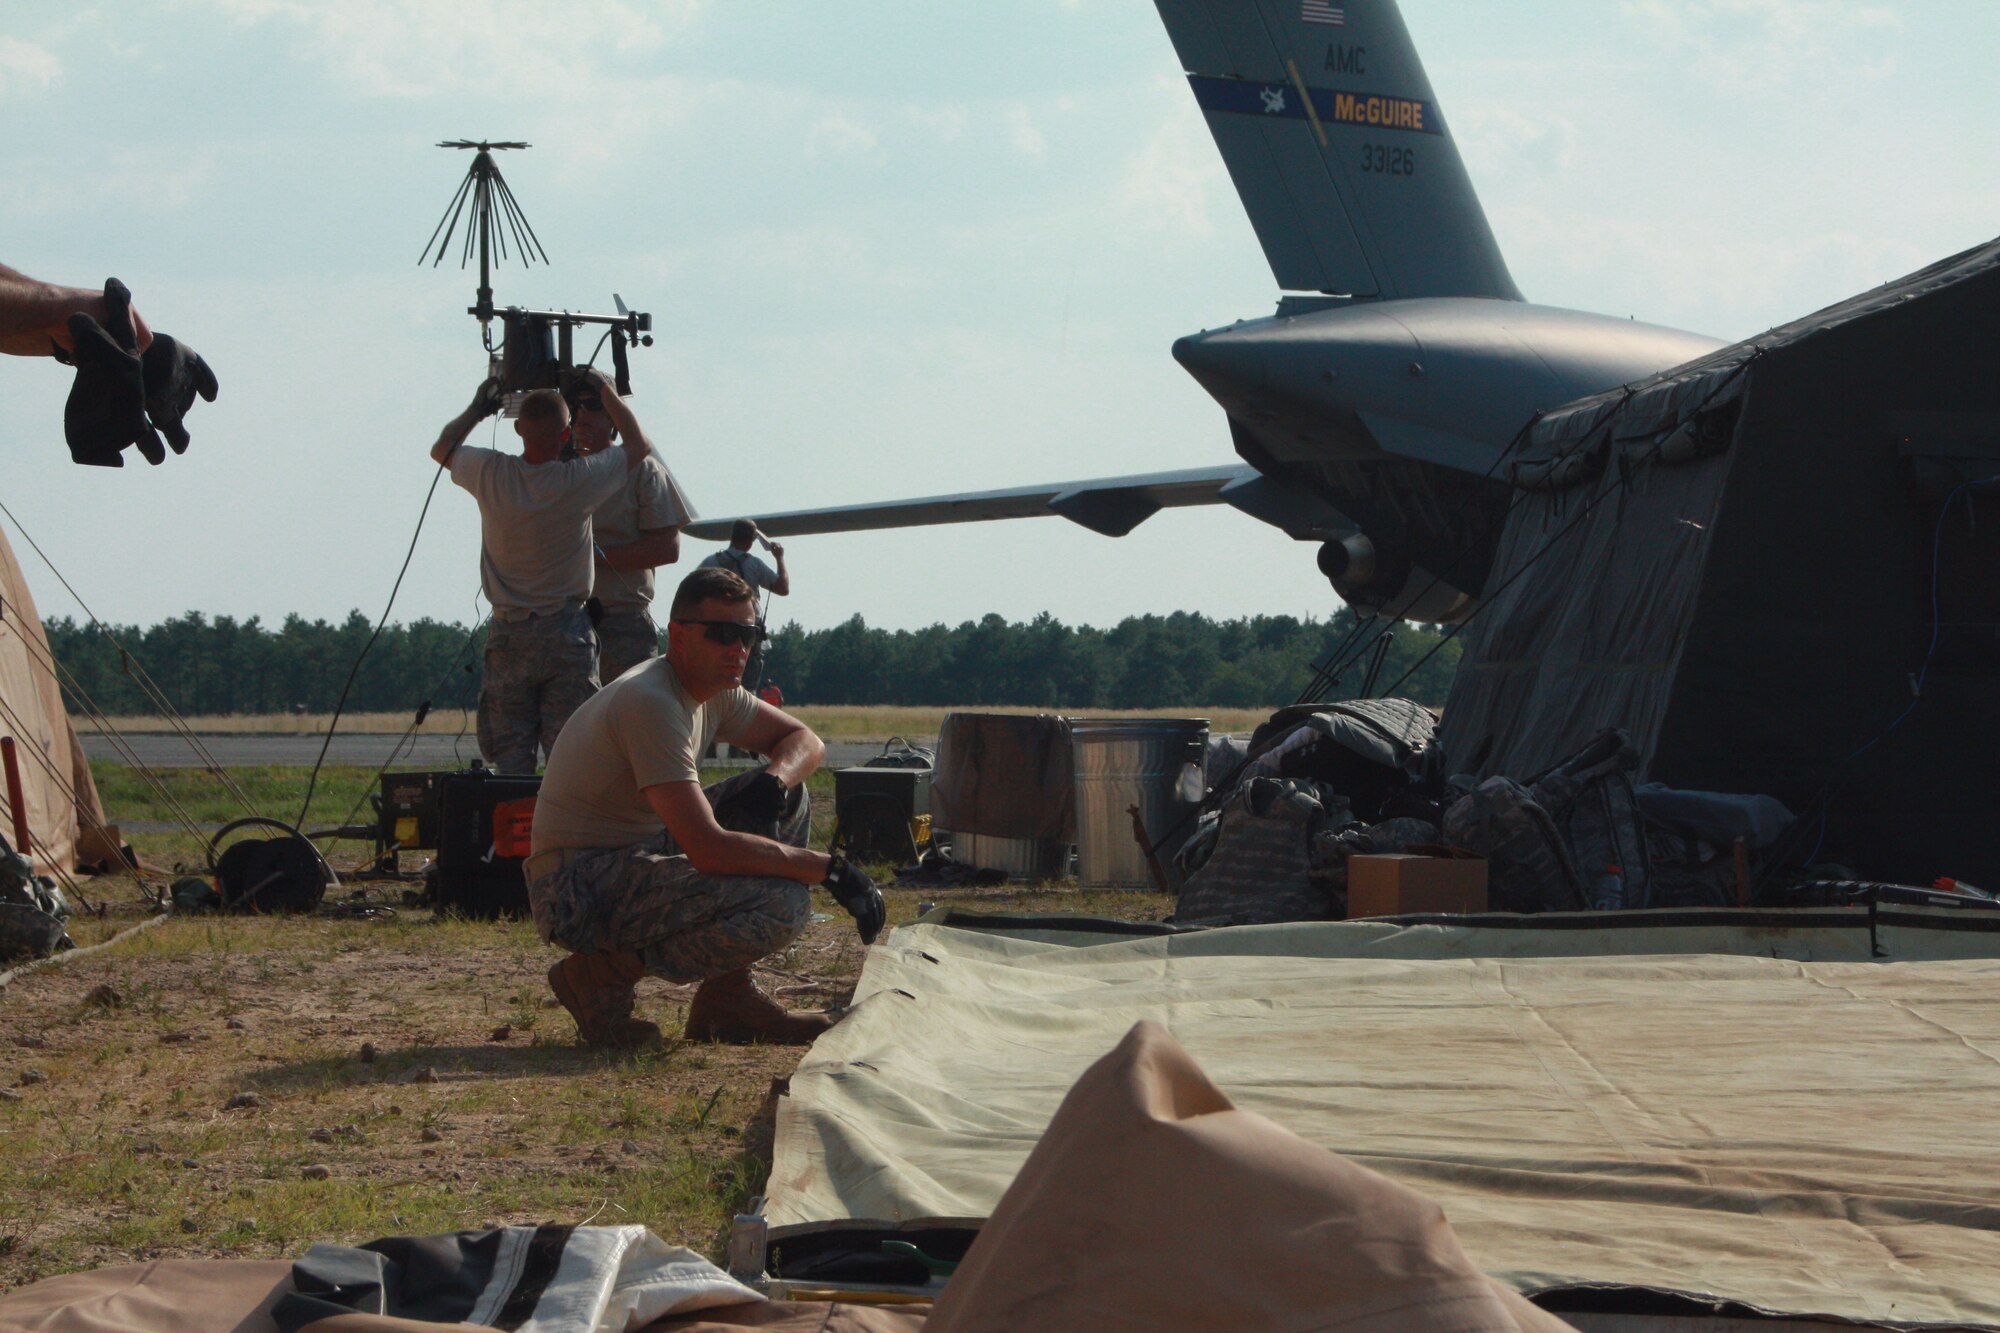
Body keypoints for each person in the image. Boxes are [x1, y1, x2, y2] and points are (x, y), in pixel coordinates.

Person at [525, 565, 884, 1048]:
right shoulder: (651, 700)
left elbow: (804, 740)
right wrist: (831, 870)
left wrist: (773, 785)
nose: (738, 649)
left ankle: (727, 1001)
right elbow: (708, 849)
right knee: (782, 904)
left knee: (787, 792)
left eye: (749, 634)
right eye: (722, 634)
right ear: (678, 636)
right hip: (576, 887)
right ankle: (599, 978)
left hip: (634, 854)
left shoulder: (715, 692)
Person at [430, 368, 647, 773]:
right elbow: (638, 445)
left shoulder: (490, 473)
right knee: (572, 756)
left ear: (518, 431)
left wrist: (481, 404)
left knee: (510, 761)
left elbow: (443, 447)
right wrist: (604, 389)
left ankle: (513, 831)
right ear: (567, 436)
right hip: (565, 634)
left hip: (509, 635)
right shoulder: (577, 480)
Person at [569, 382, 694, 682]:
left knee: (630, 717)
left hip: (620, 620)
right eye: (575, 406)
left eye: (594, 405)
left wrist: (590, 557)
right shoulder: (556, 471)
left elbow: (667, 548)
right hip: (561, 621)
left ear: (615, 415)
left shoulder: (643, 471)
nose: (583, 414)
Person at [698, 520, 789, 687]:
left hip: (717, 630)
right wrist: (779, 558)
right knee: (747, 686)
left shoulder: (710, 562)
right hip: (748, 631)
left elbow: (694, 590)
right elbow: (783, 588)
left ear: (732, 537)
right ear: (751, 541)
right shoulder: (754, 564)